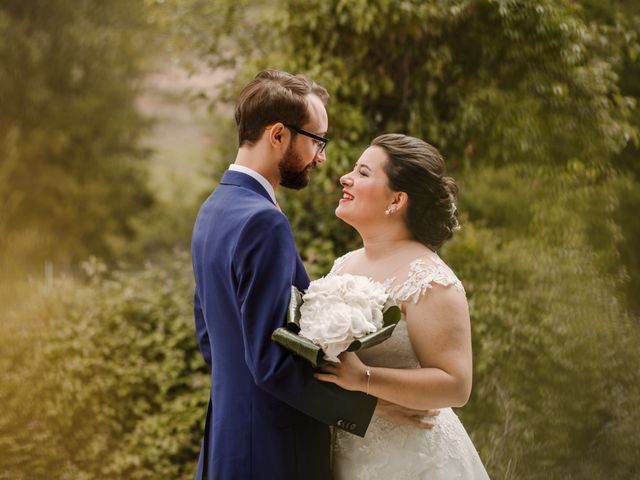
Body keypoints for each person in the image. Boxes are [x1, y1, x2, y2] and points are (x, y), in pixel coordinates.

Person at [190, 69, 383, 480]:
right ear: (278, 135)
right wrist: (370, 407)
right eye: (317, 140)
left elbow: (210, 339)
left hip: (227, 442)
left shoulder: (213, 209)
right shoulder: (264, 221)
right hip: (274, 454)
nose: (322, 157)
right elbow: (272, 363)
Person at [315, 133, 490, 479]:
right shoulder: (343, 265)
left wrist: (364, 378)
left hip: (412, 459)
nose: (345, 178)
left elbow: (456, 385)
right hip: (350, 450)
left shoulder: (430, 280)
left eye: (363, 173)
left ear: (396, 200)